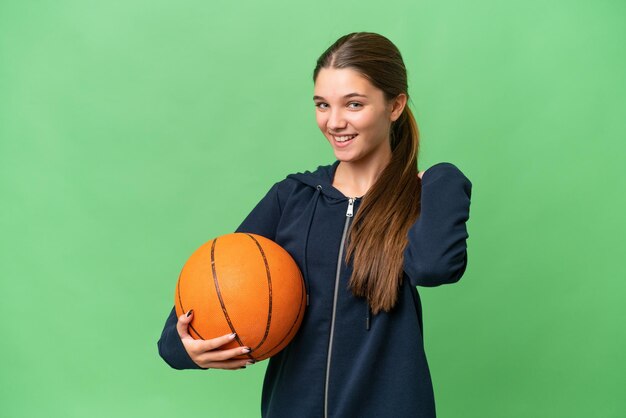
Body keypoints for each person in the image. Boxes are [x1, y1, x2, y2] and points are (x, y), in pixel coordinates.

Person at [158, 32, 472, 418]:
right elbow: (208, 289)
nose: (334, 122)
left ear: (395, 105)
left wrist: (442, 179)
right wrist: (183, 347)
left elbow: (434, 266)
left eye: (353, 104)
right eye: (323, 105)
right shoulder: (292, 197)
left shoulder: (424, 195)